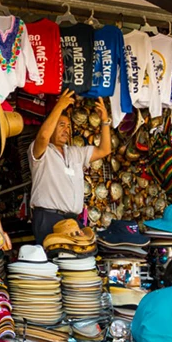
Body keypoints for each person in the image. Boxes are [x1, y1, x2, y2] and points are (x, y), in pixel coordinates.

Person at [29, 90, 112, 244]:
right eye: (61, 125)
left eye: (68, 126)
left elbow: (104, 150)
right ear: (51, 126)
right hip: (48, 218)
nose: (66, 130)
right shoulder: (42, 152)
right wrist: (59, 106)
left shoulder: (75, 153)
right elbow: (43, 137)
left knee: (78, 262)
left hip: (72, 220)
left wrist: (105, 121)